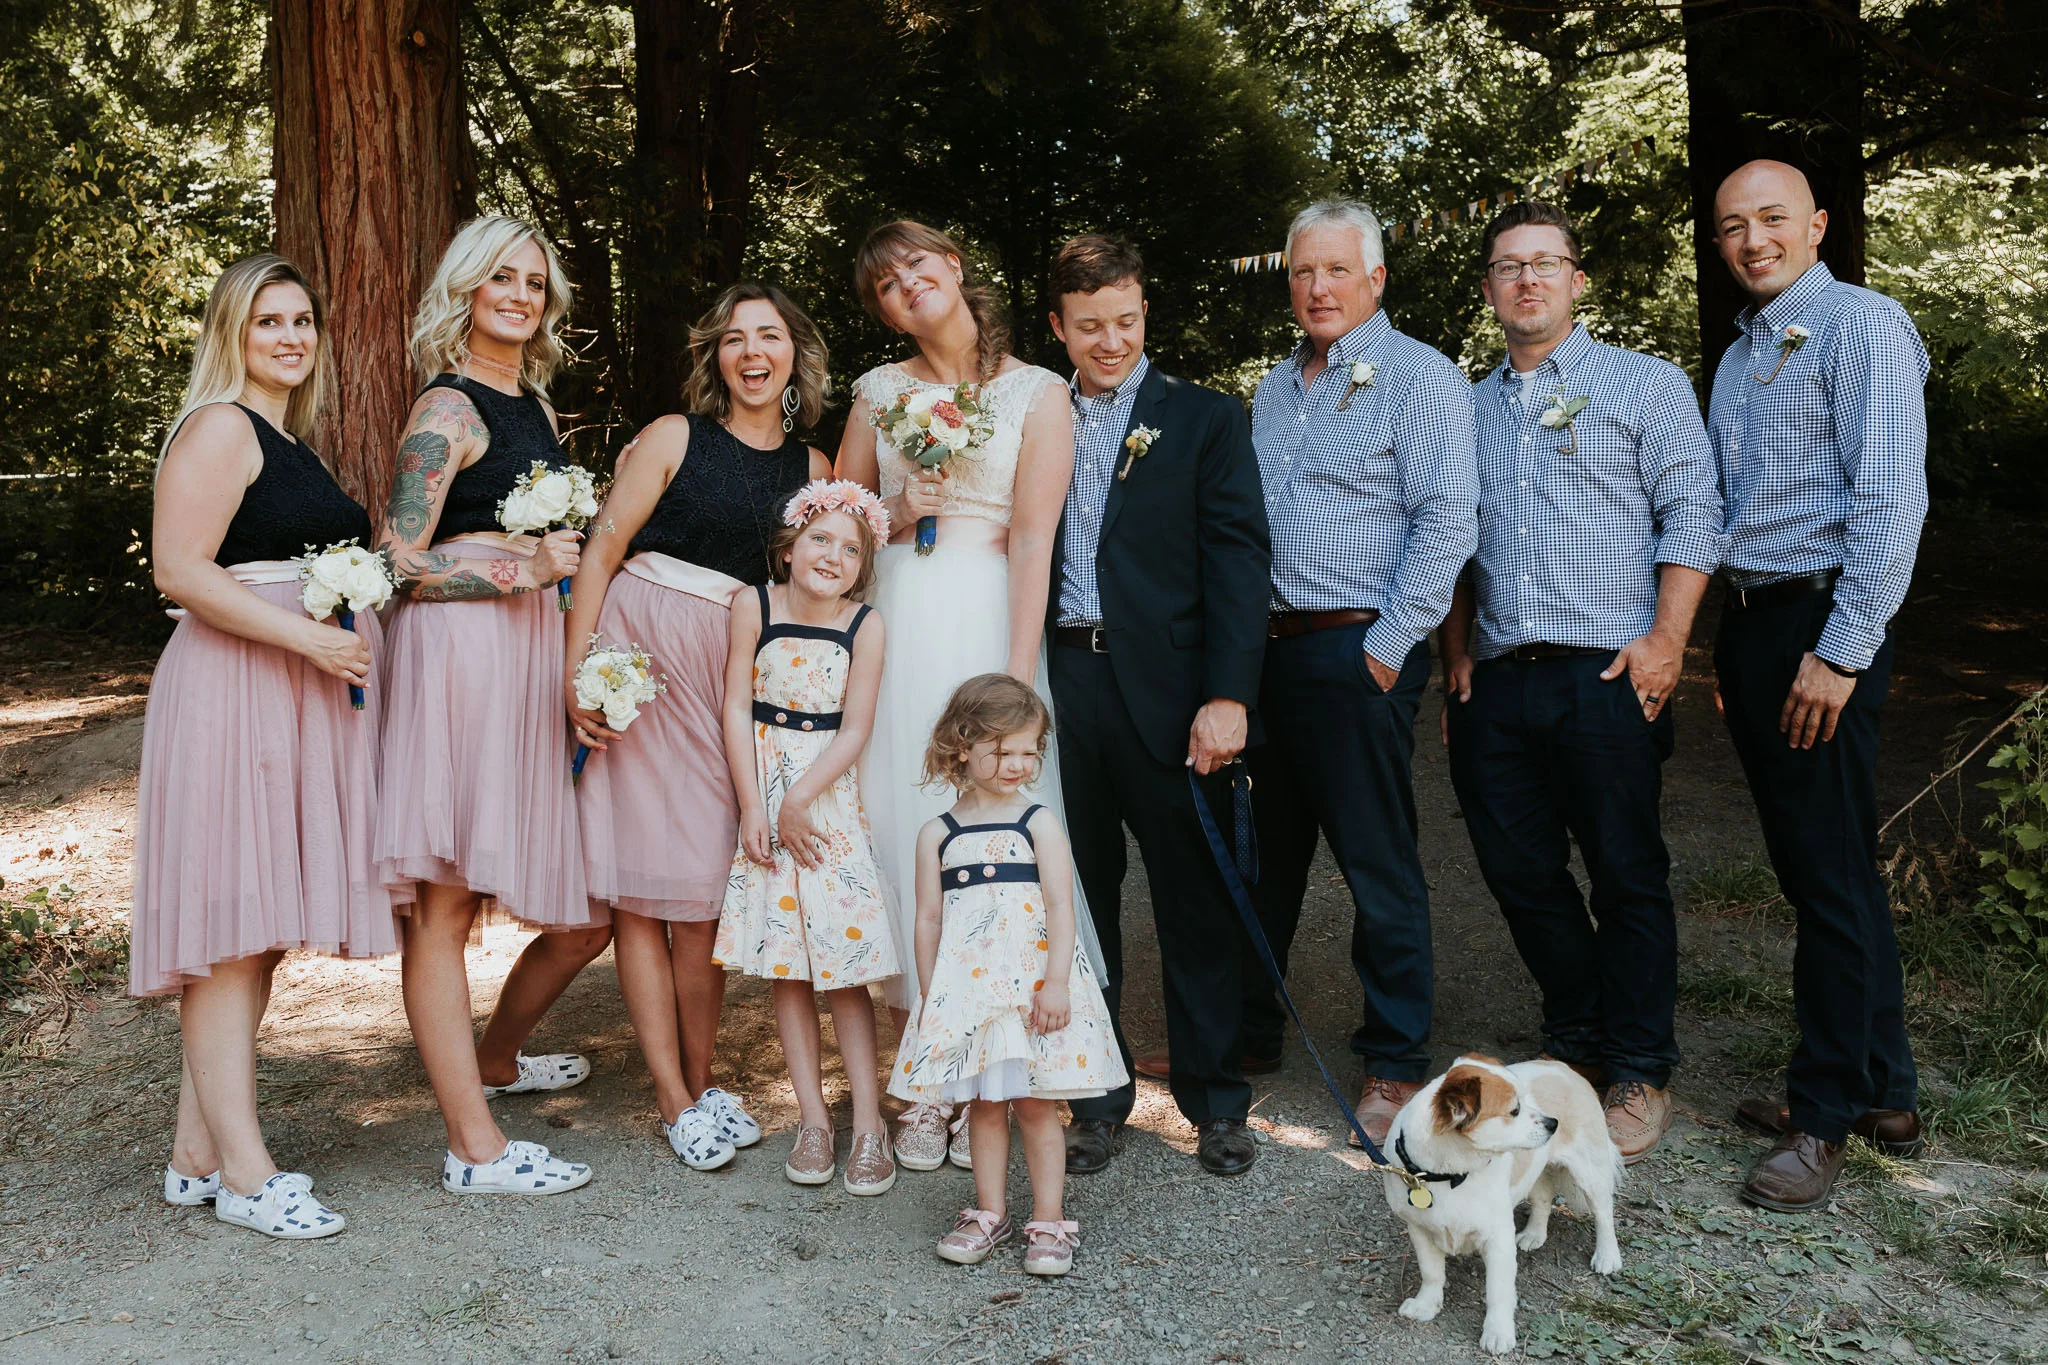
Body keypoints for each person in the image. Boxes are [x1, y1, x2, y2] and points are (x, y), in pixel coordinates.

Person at [1440, 201, 1724, 1164]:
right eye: (1508, 266)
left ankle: (1640, 1065)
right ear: (1488, 288)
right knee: (1517, 871)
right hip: (1499, 681)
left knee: (1626, 870)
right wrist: (1456, 656)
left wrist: (1666, 642)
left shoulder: (1644, 385)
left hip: (1608, 672)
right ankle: (1579, 1032)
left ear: (1577, 279)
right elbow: (1449, 542)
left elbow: (1694, 515)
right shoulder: (1463, 407)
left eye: (1546, 263)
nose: (1527, 280)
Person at [132, 254, 389, 1239]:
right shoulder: (218, 427)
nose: (289, 337)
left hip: (287, 691)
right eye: (266, 321)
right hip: (236, 688)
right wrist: (311, 637)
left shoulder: (287, 438)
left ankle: (196, 1155)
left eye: (301, 320)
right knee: (231, 939)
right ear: (230, 334)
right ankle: (246, 1173)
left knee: (257, 932)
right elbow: (180, 568)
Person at [834, 219, 1094, 1174]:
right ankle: (923, 1071)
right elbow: (839, 523)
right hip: (901, 609)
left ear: (953, 266)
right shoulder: (878, 392)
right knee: (902, 812)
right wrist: (900, 508)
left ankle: (1002, 1049)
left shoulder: (1039, 391)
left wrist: (1018, 678)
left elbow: (1034, 537)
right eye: (887, 286)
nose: (908, 287)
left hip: (989, 612)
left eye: (918, 267)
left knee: (997, 819)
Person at [1706, 160, 1929, 1211]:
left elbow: (1889, 503)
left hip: (1822, 623)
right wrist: (1727, 644)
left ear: (1816, 225)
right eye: (1731, 226)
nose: (1752, 240)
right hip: (1757, 628)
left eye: (1771, 220)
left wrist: (1838, 652)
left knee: (1829, 879)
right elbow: (1737, 511)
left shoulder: (1859, 325)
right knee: (1819, 867)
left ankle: (1823, 1114)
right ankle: (1885, 1090)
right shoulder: (1742, 352)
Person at [567, 282, 828, 1172]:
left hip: (733, 673)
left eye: (770, 336)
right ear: (715, 355)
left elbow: (826, 582)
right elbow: (602, 548)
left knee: (706, 890)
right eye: (733, 339)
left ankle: (703, 1074)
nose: (752, 353)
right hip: (642, 658)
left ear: (795, 351)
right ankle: (675, 1097)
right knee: (645, 890)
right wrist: (579, 671)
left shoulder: (817, 470)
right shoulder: (674, 438)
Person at [373, 215, 603, 1196]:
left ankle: (494, 1066)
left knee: (532, 898)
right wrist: (512, 579)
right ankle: (474, 1150)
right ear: (466, 289)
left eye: (533, 283)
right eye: (500, 278)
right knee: (445, 899)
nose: (518, 294)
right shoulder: (447, 410)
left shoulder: (533, 406)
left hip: (519, 659)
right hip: (459, 659)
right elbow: (395, 565)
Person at [1244, 198, 1479, 1147]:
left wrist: (1387, 647)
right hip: (1268, 653)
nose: (1318, 287)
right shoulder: (1273, 388)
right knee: (1266, 859)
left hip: (1357, 648)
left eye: (1338, 270)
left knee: (1376, 861)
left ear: (1376, 279)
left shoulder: (1420, 376)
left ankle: (1395, 1060)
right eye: (1304, 271)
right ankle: (1246, 1033)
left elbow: (1448, 518)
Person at [1036, 234, 1272, 1178]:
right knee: (1077, 894)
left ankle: (1216, 1100)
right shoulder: (1031, 415)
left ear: (1146, 314)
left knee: (1194, 892)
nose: (1110, 342)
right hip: (1061, 682)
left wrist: (1227, 695)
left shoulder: (1206, 418)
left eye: (1125, 322)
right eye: (1089, 326)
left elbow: (1240, 560)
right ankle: (1095, 1095)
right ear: (1057, 326)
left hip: (1174, 691)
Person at [892, 674, 1124, 1276]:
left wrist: (1055, 983)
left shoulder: (1039, 823)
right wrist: (928, 995)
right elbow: (926, 918)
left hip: (1030, 994)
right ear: (962, 745)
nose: (1019, 764)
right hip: (970, 998)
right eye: (1003, 751)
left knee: (1037, 1106)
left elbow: (1060, 906)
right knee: (984, 1108)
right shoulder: (937, 835)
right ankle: (988, 1212)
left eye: (1029, 751)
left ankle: (1048, 1222)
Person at [713, 481, 901, 1195]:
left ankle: (872, 1123)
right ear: (790, 546)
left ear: (862, 568)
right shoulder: (751, 606)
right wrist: (754, 805)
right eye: (821, 538)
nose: (834, 554)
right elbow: (734, 704)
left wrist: (799, 798)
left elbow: (855, 728)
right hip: (763, 792)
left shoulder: (866, 625)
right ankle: (814, 1118)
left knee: (844, 967)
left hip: (825, 803)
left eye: (851, 549)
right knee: (786, 966)